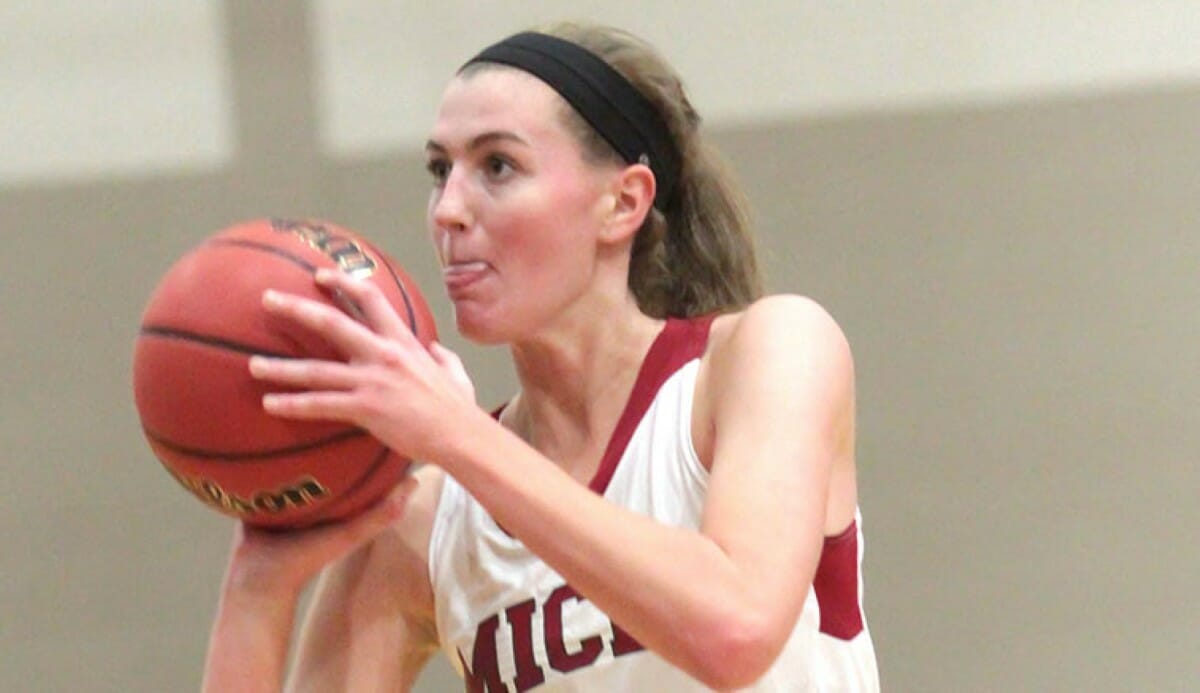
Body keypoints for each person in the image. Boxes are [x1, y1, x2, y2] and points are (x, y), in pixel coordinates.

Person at [201, 22, 879, 692]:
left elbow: (734, 631)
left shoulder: (766, 352)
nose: (447, 210)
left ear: (623, 202)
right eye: (440, 170)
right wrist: (256, 590)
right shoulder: (420, 521)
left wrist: (456, 435)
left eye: (497, 165)